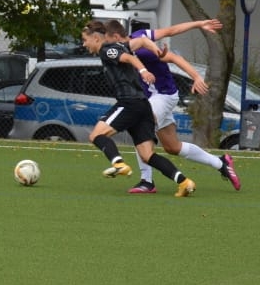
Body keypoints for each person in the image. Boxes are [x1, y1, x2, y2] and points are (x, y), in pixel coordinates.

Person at [107, 18, 241, 194]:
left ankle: (147, 181)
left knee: (139, 125)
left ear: (116, 37)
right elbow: (169, 31)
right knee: (172, 147)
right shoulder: (135, 41)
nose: (108, 48)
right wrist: (198, 24)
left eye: (108, 42)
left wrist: (196, 77)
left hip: (163, 96)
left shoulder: (141, 50)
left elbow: (173, 56)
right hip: (154, 99)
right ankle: (221, 162)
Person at [80, 19, 195, 197]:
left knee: (96, 135)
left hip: (129, 103)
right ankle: (184, 182)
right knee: (147, 155)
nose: (83, 44)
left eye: (85, 40)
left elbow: (129, 58)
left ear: (96, 38)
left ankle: (118, 163)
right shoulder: (121, 45)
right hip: (143, 106)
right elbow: (141, 41)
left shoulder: (106, 50)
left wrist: (143, 71)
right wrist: (156, 51)